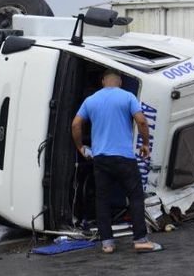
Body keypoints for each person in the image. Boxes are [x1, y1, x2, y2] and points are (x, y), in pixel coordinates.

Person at [72, 68, 163, 254]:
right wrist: (145, 144)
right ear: (119, 82)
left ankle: (107, 243)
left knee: (102, 200)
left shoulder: (91, 100)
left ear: (103, 81)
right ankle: (140, 240)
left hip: (101, 159)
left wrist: (81, 147)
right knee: (136, 197)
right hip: (124, 158)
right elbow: (142, 121)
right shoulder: (127, 97)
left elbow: (75, 124)